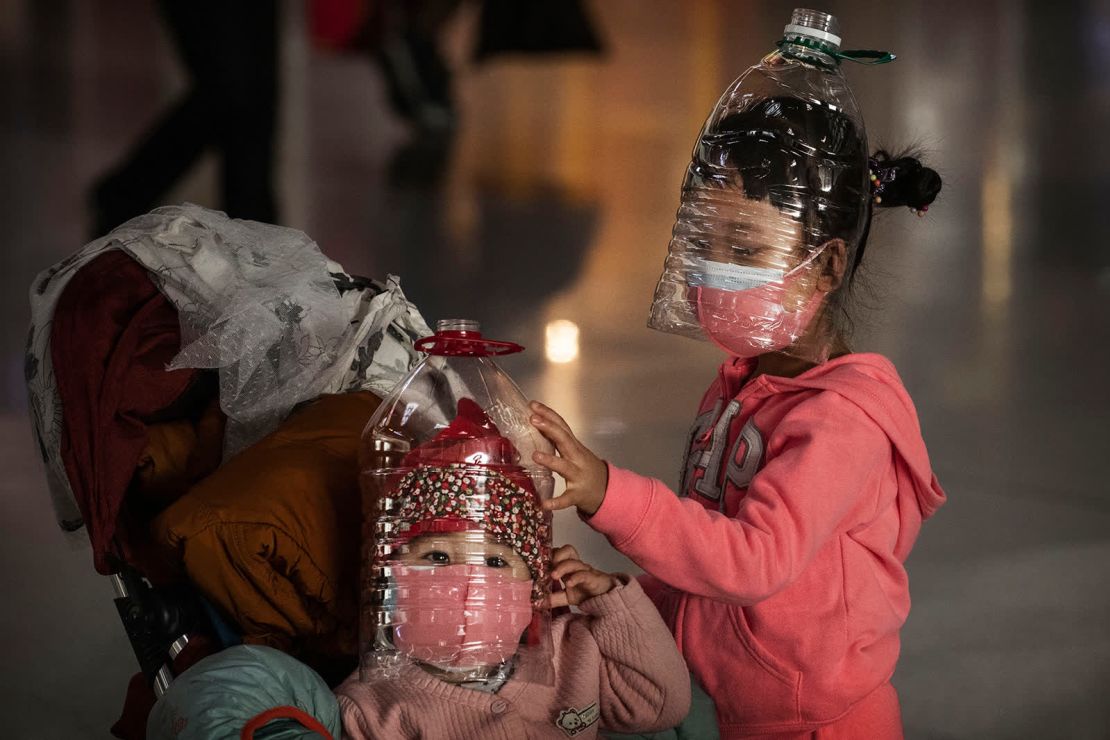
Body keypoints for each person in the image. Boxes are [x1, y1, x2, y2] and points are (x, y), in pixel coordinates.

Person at [526, 14, 946, 737]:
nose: (716, 270)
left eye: (746, 248)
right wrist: (629, 599)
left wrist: (606, 490)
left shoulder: (841, 421)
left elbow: (752, 561)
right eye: (706, 242)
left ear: (831, 264)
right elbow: (705, 548)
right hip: (724, 712)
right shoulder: (743, 384)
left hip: (811, 725)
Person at [335, 459, 693, 739]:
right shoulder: (370, 706)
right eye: (438, 557)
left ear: (533, 585)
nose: (471, 583)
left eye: (496, 562)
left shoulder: (573, 651)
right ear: (392, 575)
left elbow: (661, 705)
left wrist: (611, 601)